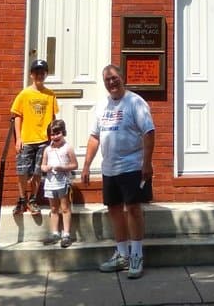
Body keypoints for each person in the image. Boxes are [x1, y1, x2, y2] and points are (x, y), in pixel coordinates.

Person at [81, 63, 155, 279]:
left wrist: (147, 163)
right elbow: (95, 137)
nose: (111, 82)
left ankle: (136, 255)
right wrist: (86, 165)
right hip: (109, 168)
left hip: (132, 165)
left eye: (114, 78)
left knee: (133, 209)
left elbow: (149, 132)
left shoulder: (135, 102)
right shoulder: (102, 106)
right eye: (107, 80)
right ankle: (122, 254)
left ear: (122, 77)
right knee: (114, 209)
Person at [10, 58, 58, 215]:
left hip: (43, 140)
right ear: (31, 74)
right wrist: (19, 138)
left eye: (42, 72)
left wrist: (53, 138)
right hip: (27, 139)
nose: (39, 75)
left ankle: (32, 200)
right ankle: (22, 199)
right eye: (37, 72)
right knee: (22, 171)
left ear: (46, 75)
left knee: (38, 172)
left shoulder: (50, 95)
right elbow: (17, 115)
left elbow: (53, 117)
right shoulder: (24, 94)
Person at [40, 119, 78, 247]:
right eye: (52, 134)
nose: (55, 137)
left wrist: (63, 168)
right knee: (53, 208)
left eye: (58, 133)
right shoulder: (47, 150)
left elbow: (74, 165)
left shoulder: (67, 148)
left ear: (63, 133)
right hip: (51, 182)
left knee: (65, 208)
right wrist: (46, 168)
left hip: (63, 181)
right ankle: (54, 233)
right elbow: (43, 166)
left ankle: (66, 234)